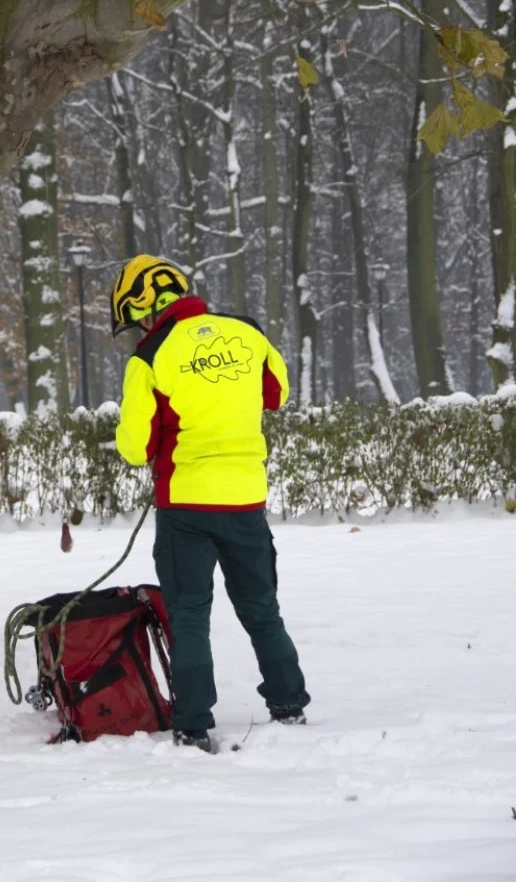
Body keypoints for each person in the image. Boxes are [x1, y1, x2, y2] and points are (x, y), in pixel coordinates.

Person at [110, 253, 310, 753]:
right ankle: (289, 703)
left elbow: (134, 447)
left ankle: (194, 725)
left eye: (138, 319)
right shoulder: (248, 332)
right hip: (245, 500)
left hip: (186, 506)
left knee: (190, 616)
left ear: (146, 308)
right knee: (262, 609)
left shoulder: (149, 356)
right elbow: (277, 393)